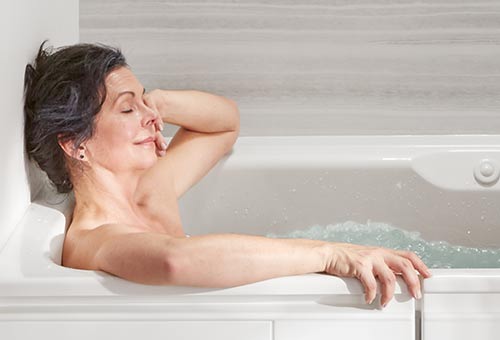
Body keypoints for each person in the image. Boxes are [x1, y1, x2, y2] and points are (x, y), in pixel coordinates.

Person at [24, 41, 431, 308]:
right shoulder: (92, 239)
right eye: (127, 109)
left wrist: (154, 102)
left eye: (145, 104)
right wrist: (329, 253)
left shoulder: (151, 188)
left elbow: (224, 123)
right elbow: (173, 261)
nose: (154, 120)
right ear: (75, 143)